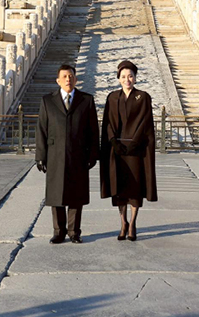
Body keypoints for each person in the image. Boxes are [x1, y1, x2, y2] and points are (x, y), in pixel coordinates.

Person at [36, 63, 100, 244]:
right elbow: (41, 130)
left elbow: (93, 130)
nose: (68, 79)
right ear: (58, 80)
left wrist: (93, 154)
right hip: (54, 154)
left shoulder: (86, 100)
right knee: (56, 195)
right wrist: (40, 156)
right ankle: (58, 231)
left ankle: (74, 232)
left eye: (71, 76)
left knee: (76, 194)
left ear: (76, 79)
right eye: (64, 76)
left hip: (78, 154)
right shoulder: (48, 101)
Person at [100, 60, 158, 241]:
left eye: (130, 76)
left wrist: (135, 142)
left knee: (134, 188)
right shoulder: (112, 97)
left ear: (135, 78)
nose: (127, 80)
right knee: (120, 189)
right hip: (117, 149)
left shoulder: (143, 97)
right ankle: (122, 222)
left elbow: (146, 122)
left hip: (135, 149)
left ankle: (132, 223)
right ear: (118, 79)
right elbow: (108, 122)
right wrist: (112, 141)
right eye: (123, 77)